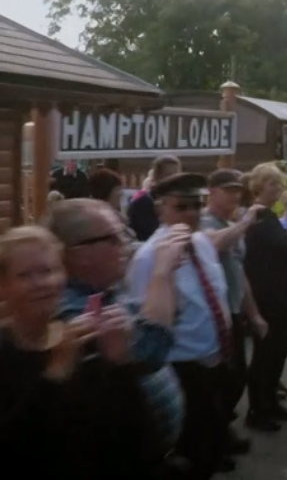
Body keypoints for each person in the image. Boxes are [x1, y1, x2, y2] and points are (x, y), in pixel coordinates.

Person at [0, 226, 164, 479]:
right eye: (25, 275)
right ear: (3, 287)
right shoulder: (8, 351)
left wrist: (121, 364)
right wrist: (56, 373)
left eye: (48, 271)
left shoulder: (83, 339)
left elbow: (140, 442)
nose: (41, 283)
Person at [46, 197, 192, 474]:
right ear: (77, 252)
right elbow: (151, 350)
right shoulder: (69, 309)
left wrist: (168, 273)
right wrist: (161, 272)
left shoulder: (105, 290)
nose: (127, 244)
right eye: (114, 237)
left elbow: (168, 319)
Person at [128, 173, 236, 479]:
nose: (191, 213)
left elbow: (215, 293)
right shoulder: (150, 256)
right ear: (162, 211)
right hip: (182, 365)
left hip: (214, 357)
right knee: (191, 450)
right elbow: (145, 316)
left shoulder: (202, 242)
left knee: (213, 440)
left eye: (197, 205)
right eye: (182, 207)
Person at [198, 170, 266, 448]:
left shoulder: (230, 222)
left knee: (236, 376)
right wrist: (246, 222)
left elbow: (239, 272)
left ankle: (221, 430)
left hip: (233, 310)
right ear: (212, 191)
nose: (235, 196)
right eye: (228, 190)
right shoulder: (205, 221)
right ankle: (214, 438)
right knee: (219, 379)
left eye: (238, 190)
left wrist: (254, 314)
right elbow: (213, 243)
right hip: (214, 314)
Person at [241, 163, 287, 427]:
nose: (278, 189)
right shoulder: (261, 217)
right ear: (259, 187)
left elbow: (279, 247)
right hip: (269, 294)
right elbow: (286, 248)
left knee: (277, 350)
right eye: (273, 184)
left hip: (274, 291)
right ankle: (259, 408)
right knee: (268, 352)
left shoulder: (266, 217)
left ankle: (268, 401)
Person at [128, 155, 181, 241]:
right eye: (169, 175)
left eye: (177, 175)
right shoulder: (142, 204)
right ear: (157, 177)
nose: (175, 179)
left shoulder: (181, 203)